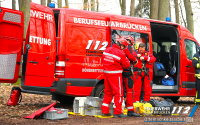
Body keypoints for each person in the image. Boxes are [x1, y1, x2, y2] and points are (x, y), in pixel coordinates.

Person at [101, 41, 130, 118]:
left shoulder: (107, 50)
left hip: (106, 74)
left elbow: (103, 60)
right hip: (115, 75)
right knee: (118, 93)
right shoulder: (120, 53)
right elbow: (126, 65)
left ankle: (105, 110)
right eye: (124, 47)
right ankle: (118, 112)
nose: (124, 48)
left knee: (107, 92)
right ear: (122, 46)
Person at [120, 40, 140, 117]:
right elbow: (131, 57)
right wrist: (135, 59)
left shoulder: (117, 49)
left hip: (120, 72)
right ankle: (130, 110)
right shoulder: (127, 48)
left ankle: (118, 110)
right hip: (127, 72)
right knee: (129, 91)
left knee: (119, 91)